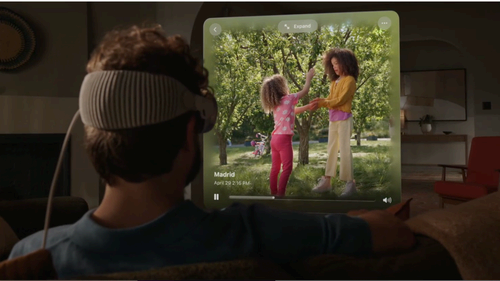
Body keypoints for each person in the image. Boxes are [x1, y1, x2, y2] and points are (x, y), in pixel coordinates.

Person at [9, 25, 414, 279]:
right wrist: (353, 221)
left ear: (91, 135)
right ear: (194, 128)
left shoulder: (31, 257)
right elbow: (393, 233)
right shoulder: (260, 232)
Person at [309, 48, 359, 198]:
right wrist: (322, 102)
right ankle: (327, 180)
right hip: (334, 119)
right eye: (333, 64)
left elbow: (340, 101)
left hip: (344, 119)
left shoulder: (349, 80)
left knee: (344, 149)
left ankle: (350, 183)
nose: (335, 67)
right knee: (331, 149)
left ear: (346, 62)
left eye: (337, 63)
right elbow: (331, 100)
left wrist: (322, 103)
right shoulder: (334, 82)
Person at [260, 69, 315, 196]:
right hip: (284, 139)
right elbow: (305, 91)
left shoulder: (276, 104)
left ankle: (274, 193)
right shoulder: (289, 98)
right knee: (287, 168)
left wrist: (307, 107)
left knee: (275, 168)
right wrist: (308, 78)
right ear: (281, 87)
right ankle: (281, 195)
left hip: (274, 139)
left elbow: (292, 111)